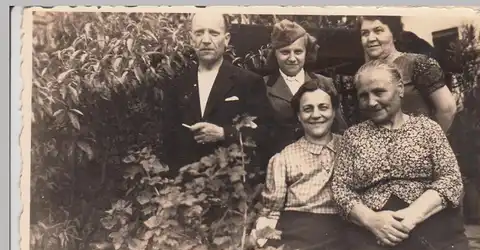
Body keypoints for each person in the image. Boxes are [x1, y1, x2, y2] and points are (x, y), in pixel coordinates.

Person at [330, 60, 472, 250]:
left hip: (434, 228)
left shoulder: (428, 128)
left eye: (379, 92)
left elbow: (451, 179)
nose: (371, 102)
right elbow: (341, 190)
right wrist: (371, 220)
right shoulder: (353, 136)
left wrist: (412, 215)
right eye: (363, 96)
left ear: (400, 89)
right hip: (375, 235)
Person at [253, 78, 351, 250]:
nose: (316, 115)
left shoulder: (351, 147)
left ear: (334, 111)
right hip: (293, 230)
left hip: (334, 234)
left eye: (323, 107)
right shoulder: (284, 157)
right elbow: (271, 209)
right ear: (298, 116)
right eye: (307, 109)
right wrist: (259, 241)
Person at [161, 12, 276, 174]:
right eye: (199, 33)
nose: (206, 40)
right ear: (191, 39)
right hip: (186, 187)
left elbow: (268, 131)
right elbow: (168, 138)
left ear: (226, 39)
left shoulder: (248, 82)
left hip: (232, 182)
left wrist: (224, 133)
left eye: (214, 33)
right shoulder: (177, 83)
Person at [357, 16, 457, 133]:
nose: (371, 38)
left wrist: (428, 142)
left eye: (378, 31)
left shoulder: (417, 63)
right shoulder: (364, 73)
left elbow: (447, 109)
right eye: (365, 33)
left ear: (393, 34)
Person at [263, 19, 348, 156]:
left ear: (306, 53)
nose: (292, 58)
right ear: (275, 53)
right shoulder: (263, 86)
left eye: (298, 52)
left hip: (323, 157)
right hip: (281, 159)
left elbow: (340, 128)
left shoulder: (324, 83)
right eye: (285, 52)